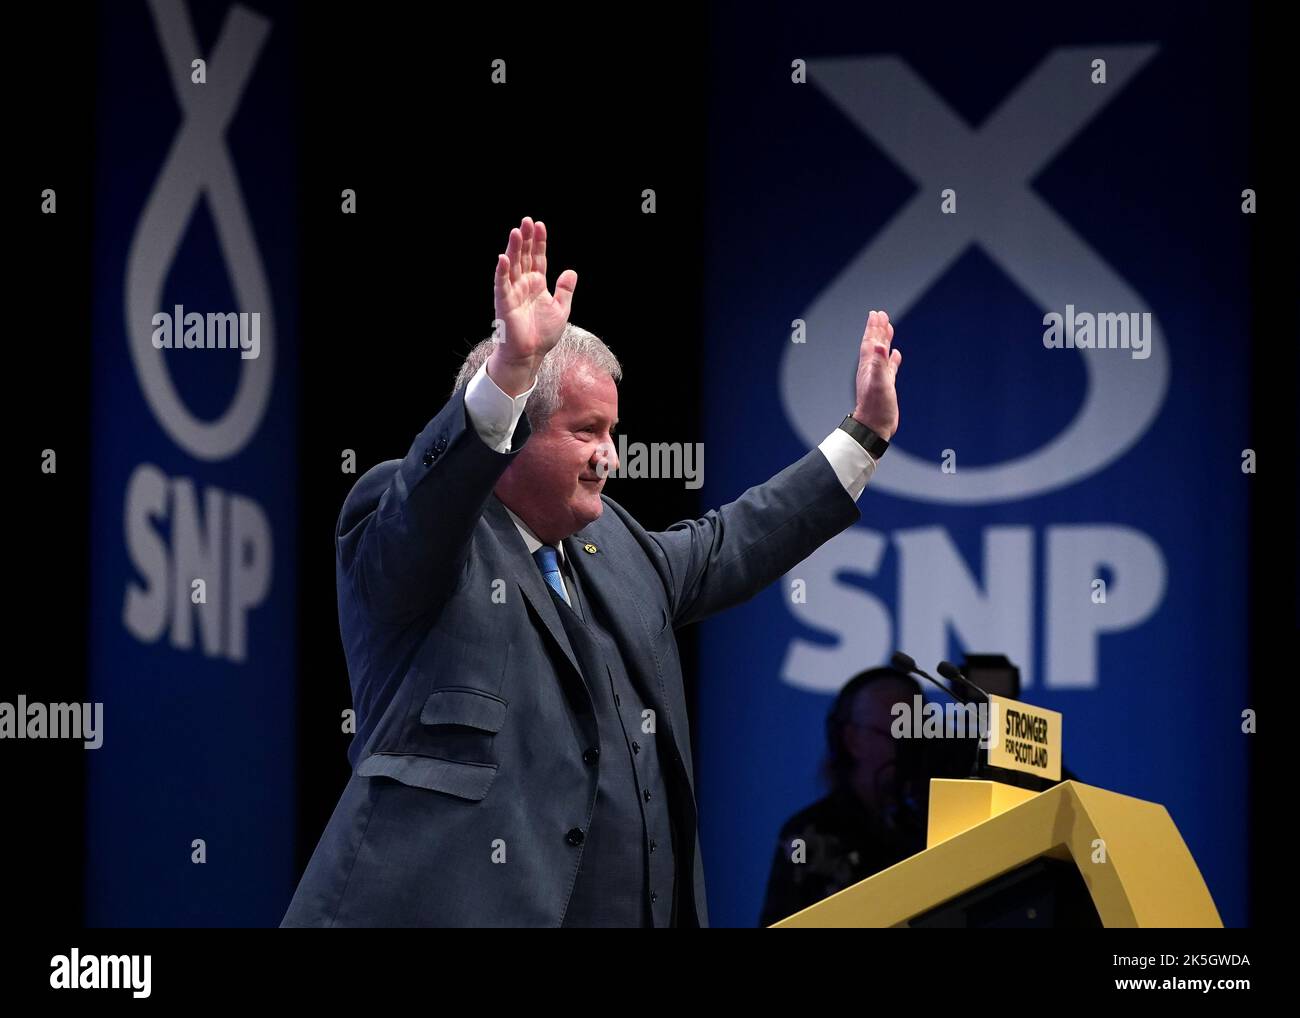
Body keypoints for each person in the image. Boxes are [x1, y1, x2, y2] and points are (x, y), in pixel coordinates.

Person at [281, 216, 905, 927]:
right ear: (514, 435)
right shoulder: (418, 535)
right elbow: (431, 500)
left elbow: (739, 540)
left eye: (613, 433)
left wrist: (864, 436)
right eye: (586, 432)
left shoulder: (621, 551)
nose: (610, 456)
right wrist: (508, 374)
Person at [758, 667, 930, 927]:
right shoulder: (806, 834)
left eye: (915, 734)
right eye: (895, 734)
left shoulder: (927, 826)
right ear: (852, 740)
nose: (908, 747)